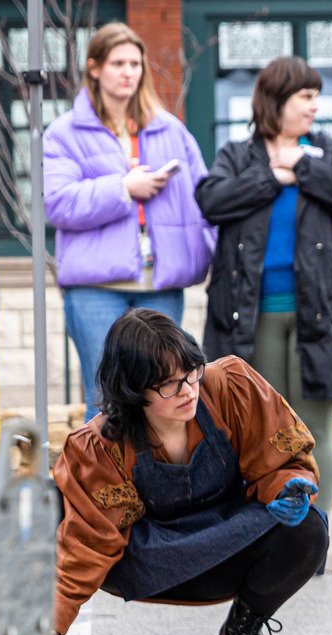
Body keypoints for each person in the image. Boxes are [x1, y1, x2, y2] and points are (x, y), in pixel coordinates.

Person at [52, 309, 328, 635]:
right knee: (57, 504)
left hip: (229, 542)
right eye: (169, 384)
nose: (188, 390)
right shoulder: (99, 445)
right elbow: (89, 544)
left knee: (308, 529)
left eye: (191, 373)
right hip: (149, 561)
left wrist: (286, 487)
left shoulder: (232, 385)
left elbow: (281, 461)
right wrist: (46, 632)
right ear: (133, 391)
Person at [197, 56, 332, 514]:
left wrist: (306, 169)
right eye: (306, 96)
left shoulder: (330, 154)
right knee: (261, 431)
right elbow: (211, 200)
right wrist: (271, 177)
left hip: (321, 314)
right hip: (251, 314)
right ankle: (271, 532)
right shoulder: (238, 155)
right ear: (277, 100)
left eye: (316, 97)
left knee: (314, 429)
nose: (315, 105)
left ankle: (315, 533)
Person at [44, 22, 213, 421]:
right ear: (95, 68)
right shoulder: (64, 133)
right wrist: (123, 189)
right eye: (118, 62)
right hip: (94, 290)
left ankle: (155, 483)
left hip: (161, 286)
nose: (128, 72)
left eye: (135, 63)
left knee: (165, 399)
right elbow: (59, 203)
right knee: (105, 401)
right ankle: (101, 485)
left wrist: (208, 249)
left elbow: (205, 198)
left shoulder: (172, 130)